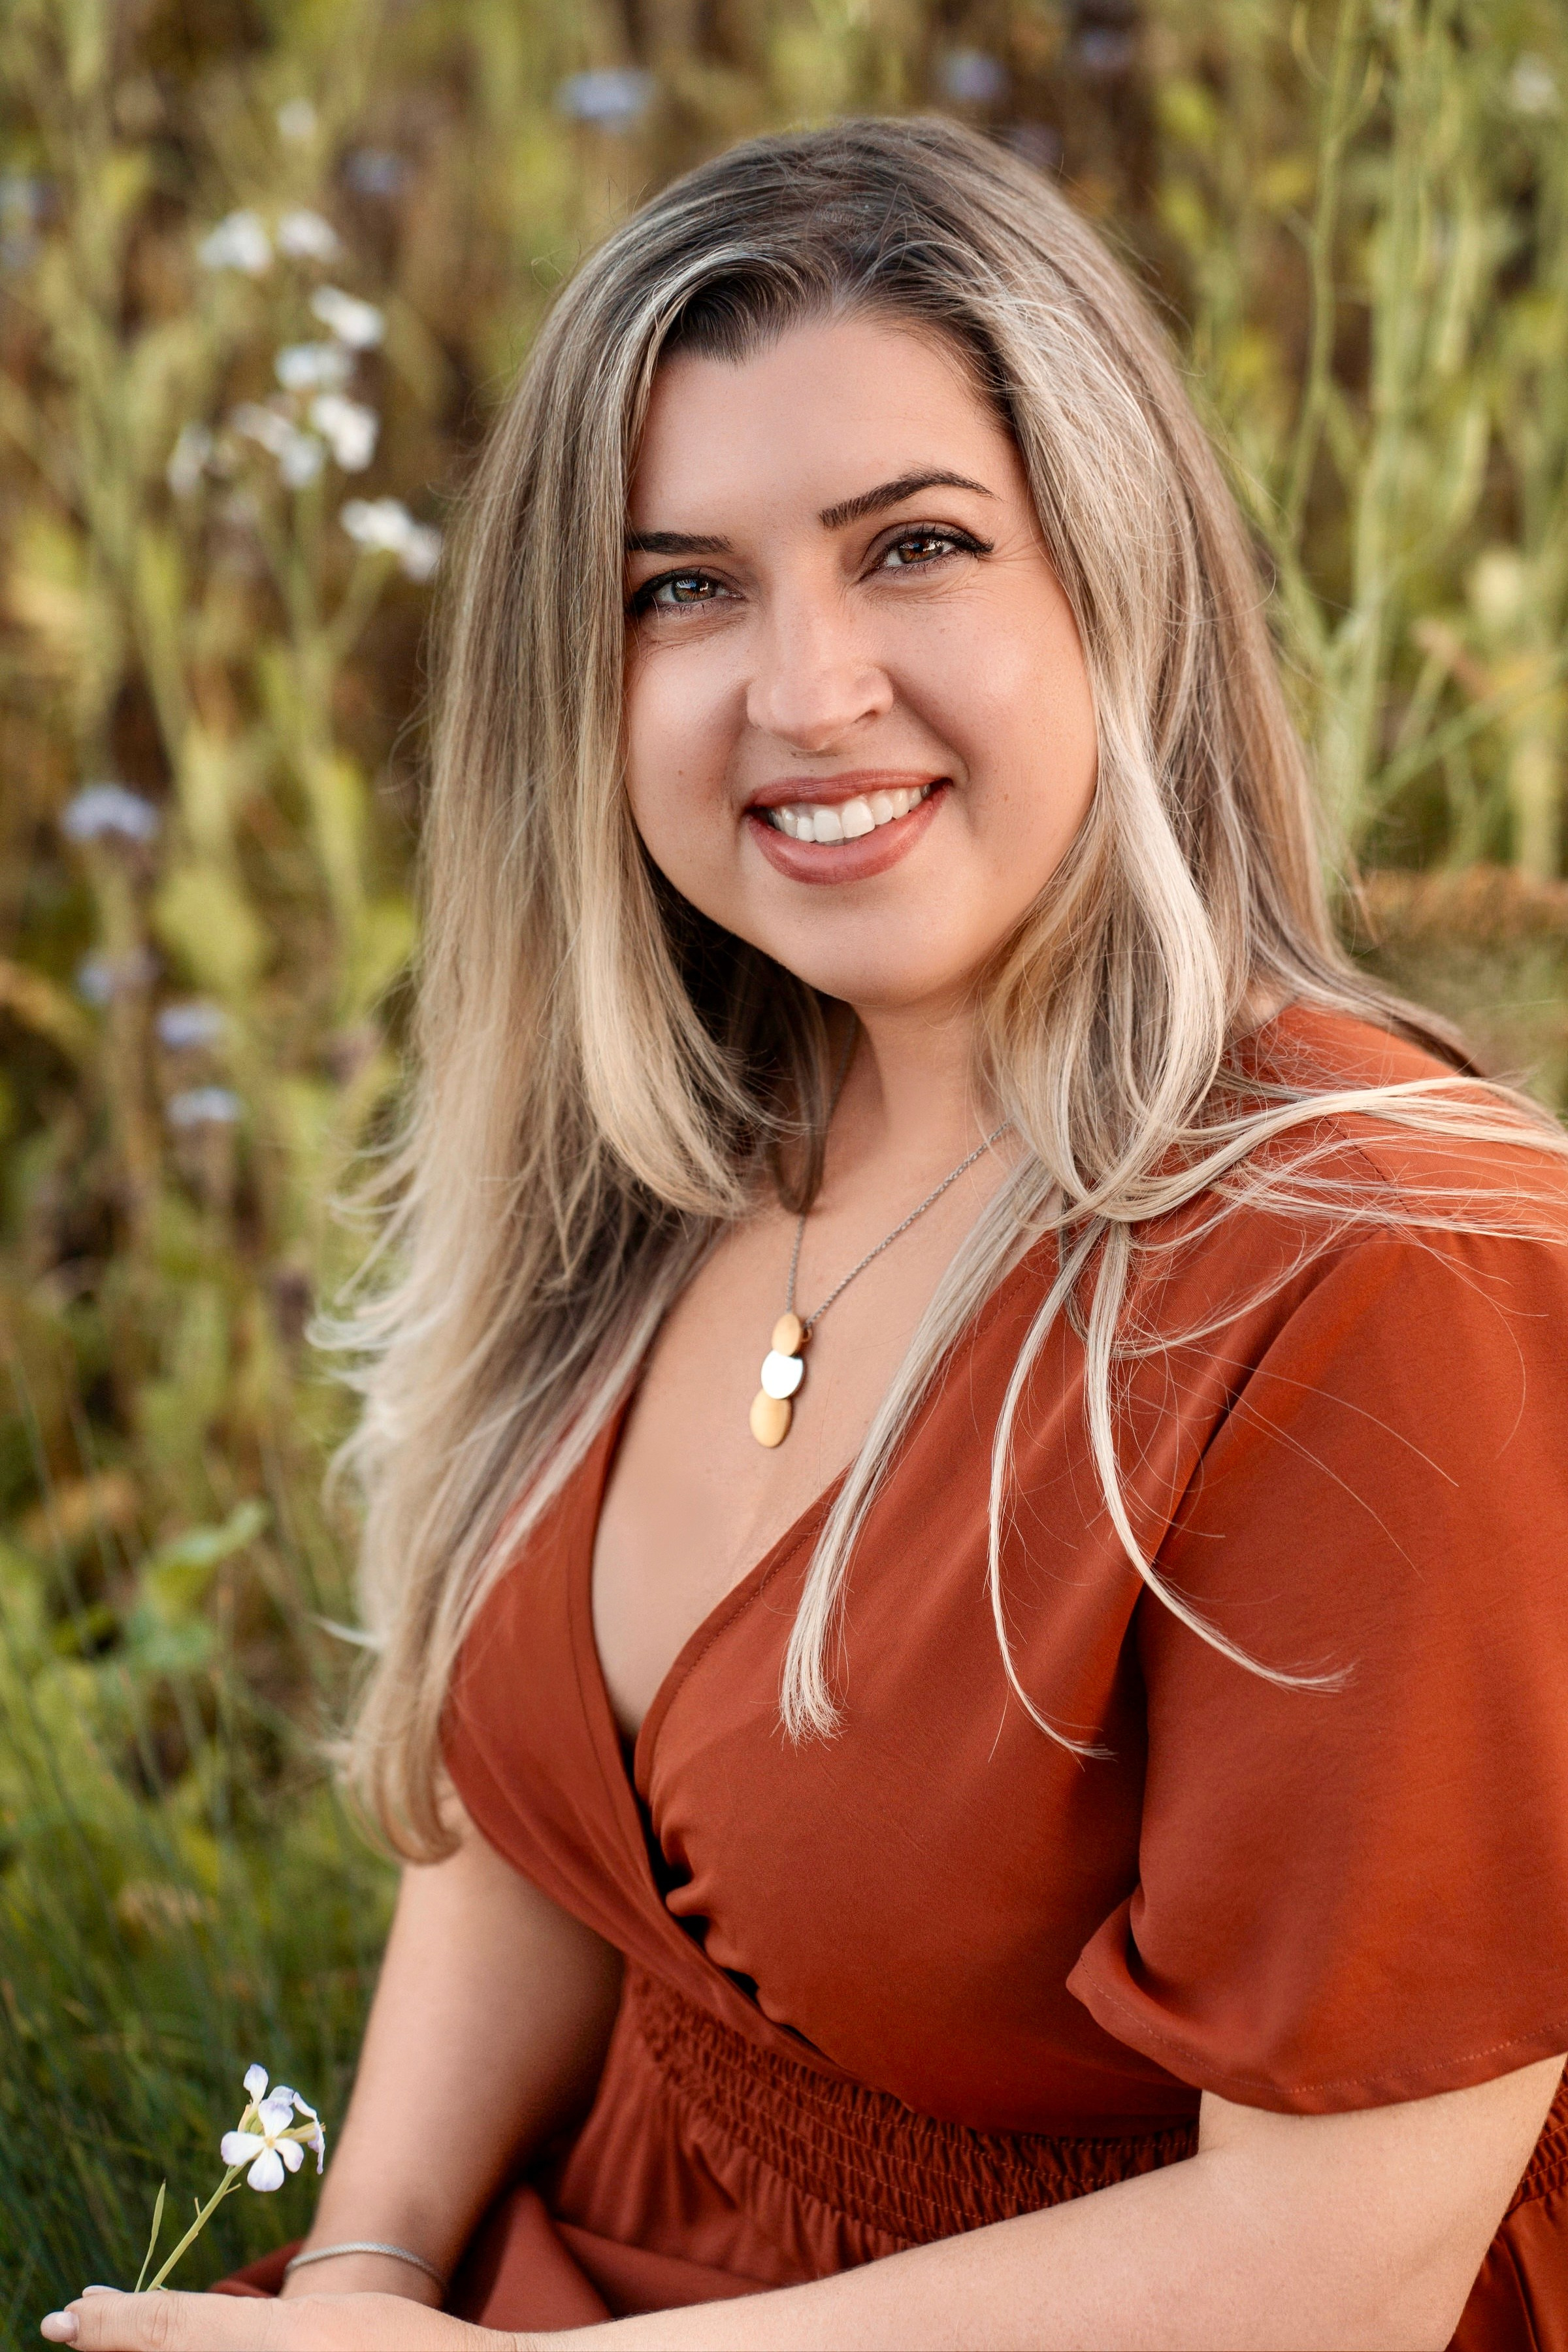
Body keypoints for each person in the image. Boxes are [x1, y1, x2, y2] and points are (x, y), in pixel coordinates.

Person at [46, 116, 1568, 2352]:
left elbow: (1334, 2270)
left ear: (1116, 583)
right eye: (683, 587)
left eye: (917, 547)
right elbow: (539, 1821)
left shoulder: (1380, 1265)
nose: (805, 691)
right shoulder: (688, 1134)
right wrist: (368, 2265)